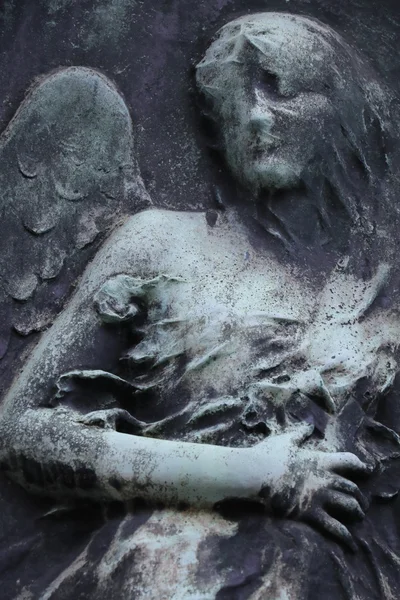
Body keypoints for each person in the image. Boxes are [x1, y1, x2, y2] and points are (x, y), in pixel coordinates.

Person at [0, 13, 398, 555]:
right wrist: (250, 474)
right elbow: (21, 430)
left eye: (280, 91)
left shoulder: (382, 286)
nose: (255, 119)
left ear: (341, 110)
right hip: (172, 567)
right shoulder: (159, 244)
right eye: (231, 105)